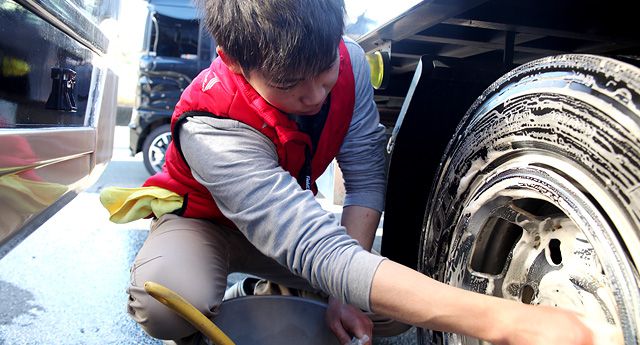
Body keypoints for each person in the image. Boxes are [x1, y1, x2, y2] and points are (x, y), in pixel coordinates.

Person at [103, 0, 602, 344]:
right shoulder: (211, 124)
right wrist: (509, 321)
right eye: (290, 84)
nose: (317, 96)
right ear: (235, 61)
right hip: (206, 224)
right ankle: (242, 286)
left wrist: (345, 293)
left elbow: (364, 174)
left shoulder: (351, 62)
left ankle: (272, 290)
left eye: (324, 73)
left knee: (384, 313)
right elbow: (316, 247)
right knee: (167, 305)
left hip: (284, 227)